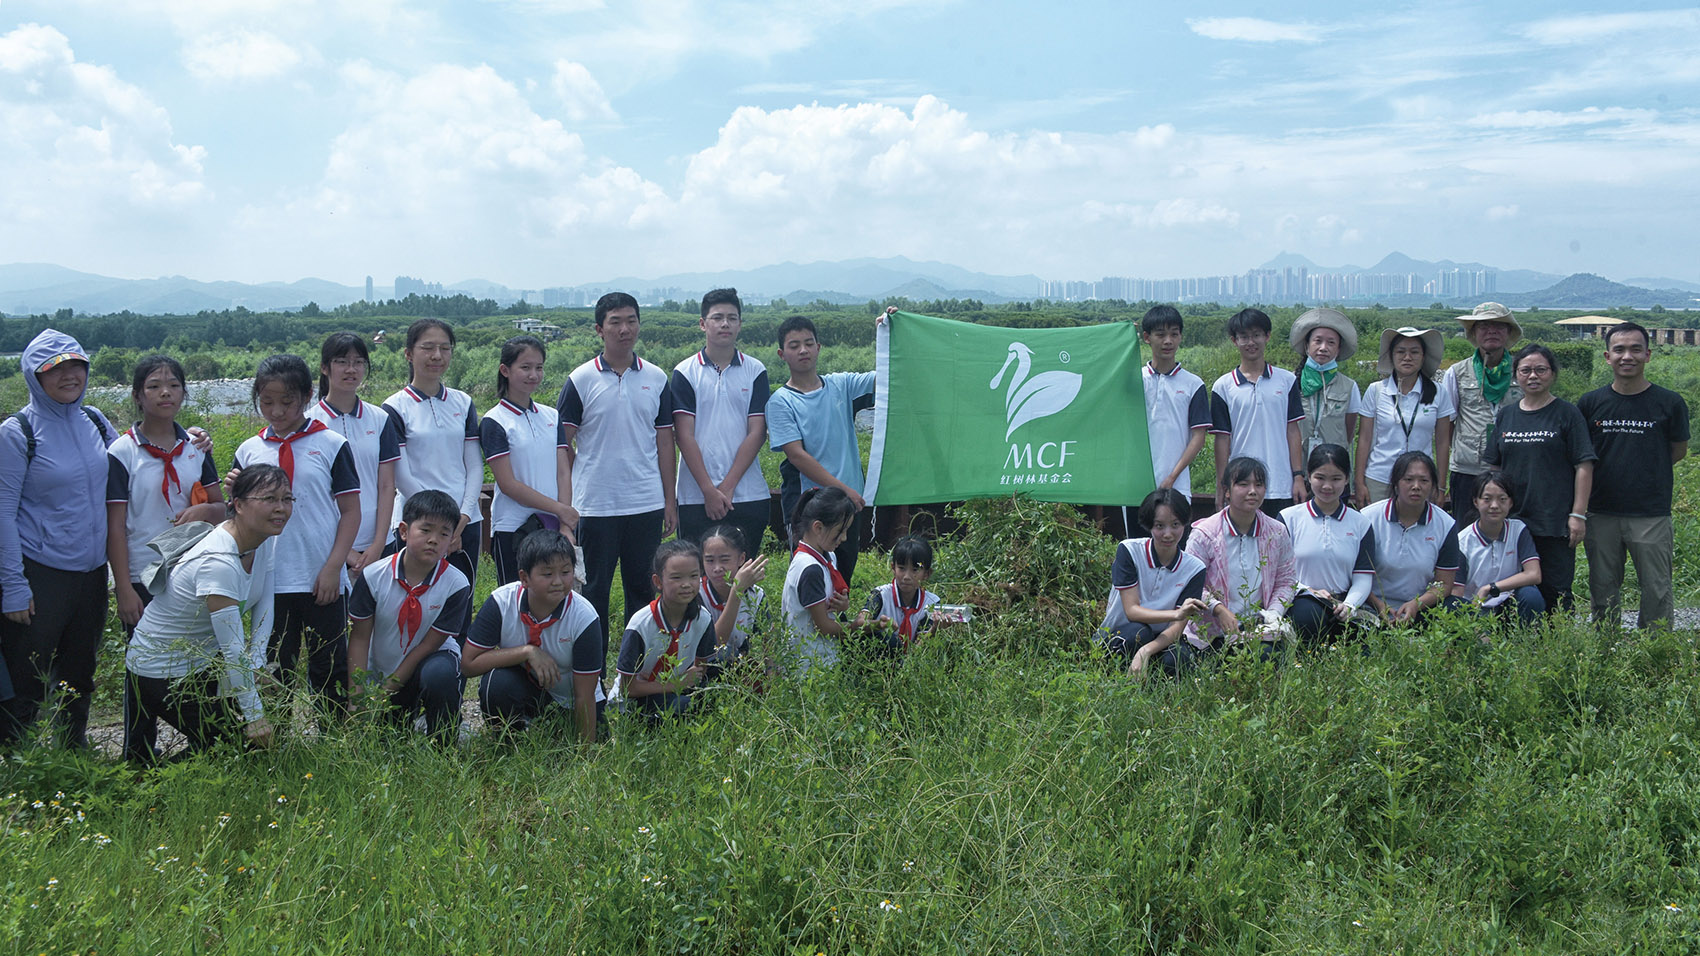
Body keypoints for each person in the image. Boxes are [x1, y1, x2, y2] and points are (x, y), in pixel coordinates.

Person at [0, 330, 118, 747]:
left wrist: (190, 442)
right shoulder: (17, 433)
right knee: (26, 673)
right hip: (40, 572)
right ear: (35, 377)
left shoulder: (95, 421)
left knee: (79, 670)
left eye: (76, 365)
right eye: (55, 369)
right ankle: (17, 764)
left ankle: (73, 751)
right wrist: (13, 586)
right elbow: (3, 512)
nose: (69, 376)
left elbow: (135, 467)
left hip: (90, 572)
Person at [122, 464, 286, 761]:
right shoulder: (218, 561)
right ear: (238, 505)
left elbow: (265, 601)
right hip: (160, 669)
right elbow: (233, 648)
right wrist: (255, 716)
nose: (281, 508)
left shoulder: (262, 540)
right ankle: (153, 788)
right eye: (269, 499)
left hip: (201, 661)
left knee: (229, 740)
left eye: (287, 499)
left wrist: (260, 663)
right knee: (234, 747)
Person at [233, 354, 361, 711]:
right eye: (267, 402)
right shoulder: (249, 450)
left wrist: (334, 567)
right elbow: (238, 517)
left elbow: (351, 512)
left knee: (329, 663)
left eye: (287, 402)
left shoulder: (331, 444)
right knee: (274, 665)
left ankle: (333, 736)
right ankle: (277, 741)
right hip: (270, 579)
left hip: (321, 574)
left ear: (306, 397)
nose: (276, 411)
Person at [556, 292, 677, 652]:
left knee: (643, 590)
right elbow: (562, 444)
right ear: (599, 329)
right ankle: (591, 680)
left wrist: (669, 500)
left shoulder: (656, 378)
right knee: (593, 593)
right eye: (615, 322)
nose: (625, 329)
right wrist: (583, 477)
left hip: (646, 503)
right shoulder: (580, 380)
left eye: (631, 321)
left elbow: (666, 443)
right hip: (595, 506)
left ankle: (635, 675)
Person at [1578, 321, 1690, 629]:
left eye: (1635, 349)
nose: (1627, 356)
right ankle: (1605, 646)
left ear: (1648, 355)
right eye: (1619, 349)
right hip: (1601, 511)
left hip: (1651, 512)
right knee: (1602, 587)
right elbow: (1581, 457)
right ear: (1607, 356)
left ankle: (1656, 650)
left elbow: (1677, 450)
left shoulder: (1670, 402)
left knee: (1656, 588)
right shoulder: (1590, 403)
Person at [107, 355, 226, 638]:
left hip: (193, 568)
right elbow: (115, 526)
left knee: (197, 658)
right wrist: (123, 588)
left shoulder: (196, 448)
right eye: (154, 386)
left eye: (174, 385)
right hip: (142, 574)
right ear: (137, 395)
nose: (165, 392)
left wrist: (204, 511)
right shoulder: (122, 452)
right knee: (144, 660)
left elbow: (222, 509)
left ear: (184, 393)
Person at [382, 319, 484, 637]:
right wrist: (439, 522)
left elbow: (474, 465)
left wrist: (461, 519)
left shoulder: (463, 402)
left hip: (466, 521)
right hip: (416, 522)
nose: (436, 355)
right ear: (409, 354)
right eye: (427, 347)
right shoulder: (394, 408)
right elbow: (401, 473)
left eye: (444, 348)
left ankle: (453, 676)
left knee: (459, 602)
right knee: (413, 602)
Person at [346, 490, 472, 740]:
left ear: (452, 540)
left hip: (426, 662)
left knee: (441, 674)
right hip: (380, 668)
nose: (434, 540)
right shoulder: (373, 577)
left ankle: (445, 744)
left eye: (444, 533)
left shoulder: (456, 584)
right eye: (425, 530)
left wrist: (390, 687)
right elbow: (359, 638)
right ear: (404, 531)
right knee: (389, 740)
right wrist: (358, 699)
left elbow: (427, 646)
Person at [1483, 344, 1596, 615]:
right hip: (1512, 521)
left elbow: (1584, 464)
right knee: (1514, 587)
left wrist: (1578, 515)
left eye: (1540, 370)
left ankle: (1556, 645)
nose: (1533, 376)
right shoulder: (1507, 415)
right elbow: (1494, 467)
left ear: (1552, 374)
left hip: (1553, 519)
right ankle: (1519, 644)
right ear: (1516, 375)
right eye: (1525, 370)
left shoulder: (1567, 414)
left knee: (1556, 588)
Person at [462, 531, 603, 743]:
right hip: (527, 688)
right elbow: (468, 664)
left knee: (592, 735)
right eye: (547, 574)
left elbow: (585, 694)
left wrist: (585, 758)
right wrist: (526, 652)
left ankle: (558, 731)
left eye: (565, 572)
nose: (558, 581)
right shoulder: (502, 603)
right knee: (496, 683)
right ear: (524, 578)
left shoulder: (584, 617)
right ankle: (509, 744)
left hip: (571, 700)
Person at [768, 314, 877, 582]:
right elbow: (797, 456)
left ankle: (838, 625)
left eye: (808, 343)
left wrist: (886, 334)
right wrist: (843, 490)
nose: (803, 350)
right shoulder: (781, 402)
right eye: (794, 345)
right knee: (811, 579)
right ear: (782, 354)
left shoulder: (842, 385)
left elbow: (887, 378)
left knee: (843, 579)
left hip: (849, 503)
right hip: (810, 506)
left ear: (819, 348)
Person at [671, 288, 771, 554]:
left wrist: (725, 488)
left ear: (740, 324)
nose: (725, 323)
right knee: (696, 580)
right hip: (695, 496)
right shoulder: (685, 372)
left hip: (748, 494)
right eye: (717, 318)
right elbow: (684, 435)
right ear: (703, 324)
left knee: (743, 579)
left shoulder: (755, 370)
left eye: (732, 318)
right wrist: (708, 490)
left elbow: (757, 432)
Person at [482, 335, 574, 586]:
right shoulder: (495, 421)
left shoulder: (552, 416)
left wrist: (565, 524)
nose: (533, 374)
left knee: (557, 597)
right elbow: (508, 484)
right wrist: (560, 510)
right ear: (505, 370)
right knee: (516, 600)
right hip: (513, 528)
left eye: (539, 367)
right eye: (525, 367)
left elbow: (563, 472)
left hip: (554, 527)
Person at [1186, 457, 1297, 658]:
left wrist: (1273, 615)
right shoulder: (1204, 534)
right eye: (1243, 484)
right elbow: (1190, 584)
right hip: (1212, 632)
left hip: (1260, 629)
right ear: (1227, 491)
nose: (1252, 491)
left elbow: (1286, 580)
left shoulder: (1277, 532)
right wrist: (1218, 609)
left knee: (1265, 660)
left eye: (1259, 484)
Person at [309, 331, 399, 576]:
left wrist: (379, 543)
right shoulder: (309, 423)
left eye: (358, 362)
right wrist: (346, 552)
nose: (351, 369)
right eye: (342, 362)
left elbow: (386, 485)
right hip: (327, 545)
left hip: (377, 542)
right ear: (325, 368)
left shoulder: (380, 419)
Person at [1097, 488, 1209, 678]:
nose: (1168, 534)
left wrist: (1145, 651)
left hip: (1160, 641)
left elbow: (1176, 628)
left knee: (1179, 659)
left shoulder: (1195, 568)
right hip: (1122, 634)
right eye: (1159, 526)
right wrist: (1176, 614)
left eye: (1175, 525)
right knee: (1137, 632)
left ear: (1184, 524)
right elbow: (1132, 611)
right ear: (1149, 525)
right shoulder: (1129, 551)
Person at [1210, 308, 1307, 517]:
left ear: (1267, 336)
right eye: (1244, 337)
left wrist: (1298, 476)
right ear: (1234, 341)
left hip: (1282, 483)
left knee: (1280, 544)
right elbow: (1222, 440)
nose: (1251, 342)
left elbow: (1293, 431)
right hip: (1241, 485)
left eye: (1256, 335)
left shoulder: (1287, 381)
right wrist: (1222, 484)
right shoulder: (1223, 387)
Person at [609, 540, 719, 720]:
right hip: (632, 703)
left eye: (693, 576)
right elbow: (628, 688)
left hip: (673, 692)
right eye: (677, 578)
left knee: (717, 687)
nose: (686, 584)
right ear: (658, 581)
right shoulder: (640, 624)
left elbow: (701, 670)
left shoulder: (703, 619)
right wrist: (676, 684)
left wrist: (688, 683)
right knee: (684, 706)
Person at [1280, 444, 1376, 647]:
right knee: (1308, 618)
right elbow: (1278, 574)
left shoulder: (1361, 524)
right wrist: (1308, 590)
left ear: (1347, 479)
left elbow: (1363, 577)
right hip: (1302, 599)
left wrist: (1350, 605)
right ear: (1308, 476)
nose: (1327, 486)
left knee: (1363, 641)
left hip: (1344, 601)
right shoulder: (1289, 518)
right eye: (1320, 478)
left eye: (1336, 479)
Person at [1132, 305, 1210, 537]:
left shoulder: (1193, 384)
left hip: (1176, 489)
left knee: (1175, 553)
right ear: (1147, 338)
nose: (1168, 341)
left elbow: (1198, 437)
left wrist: (1171, 477)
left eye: (1174, 334)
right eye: (1160, 334)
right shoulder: (1135, 381)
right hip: (1136, 487)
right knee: (1139, 553)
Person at [1443, 302, 1522, 521]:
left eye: (1499, 326)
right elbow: (1448, 421)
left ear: (1508, 332)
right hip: (1468, 470)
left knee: (1509, 532)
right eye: (1484, 326)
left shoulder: (1522, 370)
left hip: (1511, 469)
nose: (1492, 331)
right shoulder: (1457, 373)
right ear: (1474, 333)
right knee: (1466, 533)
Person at [1355, 327, 1453, 505]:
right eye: (1401, 351)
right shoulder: (1376, 390)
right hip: (1380, 476)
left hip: (1421, 480)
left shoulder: (1439, 393)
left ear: (1423, 357)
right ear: (1391, 355)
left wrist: (1440, 486)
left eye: (1414, 352)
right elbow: (1364, 438)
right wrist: (1359, 482)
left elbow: (1442, 442)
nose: (1407, 357)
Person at [1361, 451, 1460, 625]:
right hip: (1371, 605)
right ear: (1396, 484)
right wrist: (1378, 605)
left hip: (1421, 607)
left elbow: (1444, 583)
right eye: (1408, 480)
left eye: (1424, 480)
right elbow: (1355, 574)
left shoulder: (1445, 524)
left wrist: (1416, 604)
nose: (1416, 486)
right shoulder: (1368, 518)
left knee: (1458, 609)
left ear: (1433, 486)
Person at [1444, 469, 1544, 626]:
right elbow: (1457, 593)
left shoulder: (1518, 530)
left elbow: (1534, 574)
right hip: (1475, 607)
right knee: (1451, 605)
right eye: (1487, 499)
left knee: (1531, 596)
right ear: (1476, 502)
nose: (1494, 505)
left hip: (1508, 603)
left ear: (1510, 502)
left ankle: (1526, 643)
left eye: (1502, 499)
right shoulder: (1463, 542)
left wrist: (1490, 588)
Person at [780, 486, 857, 673]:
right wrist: (859, 627)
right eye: (841, 530)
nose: (845, 537)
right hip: (808, 667)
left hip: (823, 659)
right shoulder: (810, 569)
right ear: (818, 527)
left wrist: (842, 606)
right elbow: (823, 626)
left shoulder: (827, 556)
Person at [1289, 308, 1365, 465]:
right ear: (1306, 345)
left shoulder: (1349, 387)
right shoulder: (1289, 383)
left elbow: (1348, 433)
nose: (1323, 348)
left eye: (1331, 343)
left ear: (1338, 349)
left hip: (1333, 471)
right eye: (1318, 341)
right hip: (1295, 469)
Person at [853, 534, 944, 655]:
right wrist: (878, 625)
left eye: (915, 570)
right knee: (888, 640)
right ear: (893, 568)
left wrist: (934, 629)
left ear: (927, 574)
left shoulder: (931, 603)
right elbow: (859, 622)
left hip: (910, 665)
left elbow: (919, 649)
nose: (906, 576)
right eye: (901, 568)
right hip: (878, 661)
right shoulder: (880, 595)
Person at [699, 524, 767, 665]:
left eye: (724, 560)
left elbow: (769, 644)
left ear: (741, 559)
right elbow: (714, 646)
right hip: (703, 670)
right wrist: (737, 591)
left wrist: (772, 681)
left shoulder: (756, 594)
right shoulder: (696, 593)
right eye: (710, 560)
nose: (717, 568)